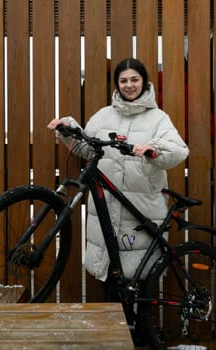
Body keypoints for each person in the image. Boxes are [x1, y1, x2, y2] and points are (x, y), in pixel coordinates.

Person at [47, 58, 188, 287]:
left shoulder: (158, 118)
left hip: (139, 211)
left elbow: (178, 150)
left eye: (134, 79)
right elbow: (87, 149)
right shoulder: (104, 116)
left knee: (140, 278)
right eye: (123, 81)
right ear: (117, 84)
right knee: (112, 278)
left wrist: (154, 150)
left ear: (144, 82)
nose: (129, 85)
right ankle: (116, 322)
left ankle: (141, 323)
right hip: (106, 208)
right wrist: (67, 129)